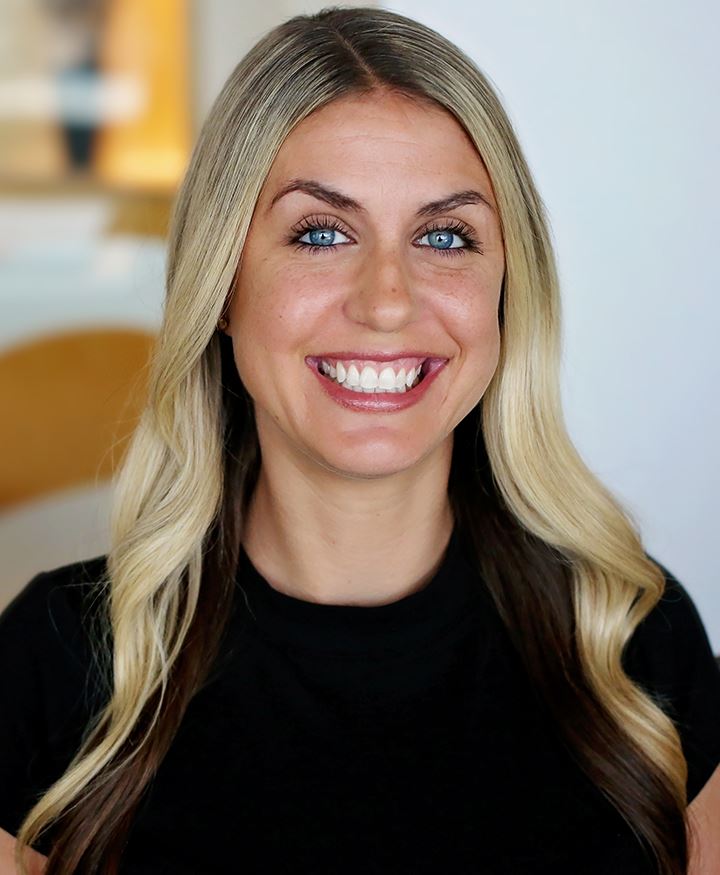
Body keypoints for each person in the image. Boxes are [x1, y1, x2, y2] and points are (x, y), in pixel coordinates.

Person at [1, 6, 719, 874]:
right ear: (222, 286)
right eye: (320, 233)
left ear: (505, 292)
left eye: (445, 236)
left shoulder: (635, 642)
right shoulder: (55, 663)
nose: (387, 300)